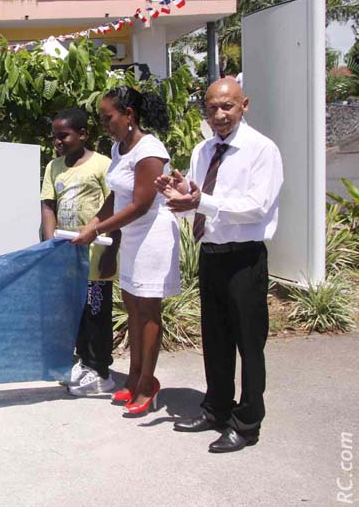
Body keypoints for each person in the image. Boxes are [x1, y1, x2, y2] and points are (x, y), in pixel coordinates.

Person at [156, 78, 283, 453]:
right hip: (211, 255)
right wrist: (180, 195)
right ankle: (216, 407)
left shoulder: (262, 150)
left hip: (245, 259)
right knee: (216, 339)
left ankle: (246, 423)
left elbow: (257, 206)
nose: (219, 114)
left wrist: (203, 202)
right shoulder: (202, 149)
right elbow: (197, 196)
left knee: (249, 344)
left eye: (227, 106)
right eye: (212, 107)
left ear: (244, 105)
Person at [72, 86, 180, 415]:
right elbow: (116, 196)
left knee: (148, 313)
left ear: (129, 115)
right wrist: (94, 220)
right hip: (130, 236)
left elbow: (142, 204)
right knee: (133, 309)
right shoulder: (120, 148)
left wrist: (99, 229)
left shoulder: (150, 150)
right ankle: (133, 379)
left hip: (152, 236)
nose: (104, 124)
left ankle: (148, 384)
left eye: (109, 117)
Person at [40, 108, 120, 396]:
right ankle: (82, 362)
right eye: (54, 137)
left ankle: (101, 370)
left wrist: (113, 250)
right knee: (76, 311)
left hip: (97, 256)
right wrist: (52, 245)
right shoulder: (54, 167)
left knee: (97, 312)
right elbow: (48, 205)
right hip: (66, 256)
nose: (58, 142)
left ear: (83, 134)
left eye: (64, 136)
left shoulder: (102, 165)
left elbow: (116, 205)